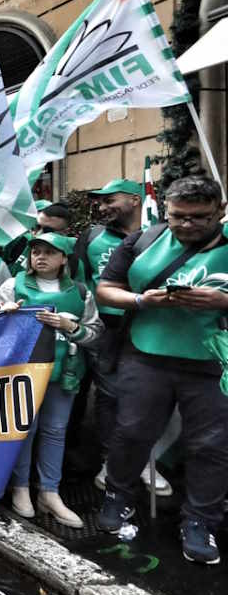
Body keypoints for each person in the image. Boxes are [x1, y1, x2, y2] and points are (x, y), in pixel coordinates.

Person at [93, 176, 228, 565]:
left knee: (211, 445)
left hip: (212, 362)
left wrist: (222, 300)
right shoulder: (143, 241)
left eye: (198, 217)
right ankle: (117, 496)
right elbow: (106, 288)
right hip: (146, 354)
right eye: (177, 217)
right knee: (132, 431)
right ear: (164, 211)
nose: (186, 225)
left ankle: (200, 521)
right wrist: (140, 300)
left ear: (219, 211)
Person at [0, 233, 102, 528]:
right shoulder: (12, 286)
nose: (40, 257)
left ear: (64, 258)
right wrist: (4, 315)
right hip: (23, 374)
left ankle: (50, 492)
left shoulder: (80, 292)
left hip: (65, 373)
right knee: (25, 429)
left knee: (55, 431)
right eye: (36, 251)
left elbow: (96, 334)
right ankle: (21, 487)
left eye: (49, 252)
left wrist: (71, 326)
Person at [78, 180, 170, 496]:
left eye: (109, 200)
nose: (102, 208)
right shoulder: (90, 238)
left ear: (134, 200)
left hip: (151, 328)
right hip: (107, 329)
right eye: (99, 203)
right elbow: (79, 281)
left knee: (150, 397)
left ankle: (145, 461)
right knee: (110, 397)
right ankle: (111, 461)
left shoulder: (160, 235)